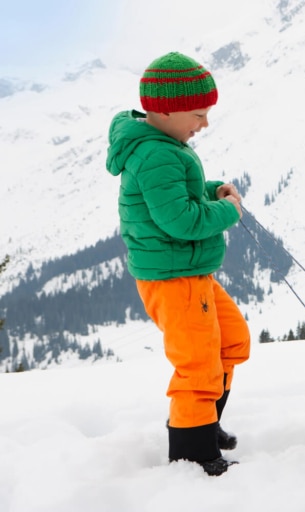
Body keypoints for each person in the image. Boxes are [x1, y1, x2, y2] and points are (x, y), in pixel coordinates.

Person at [106, 52, 250, 476]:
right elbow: (181, 220)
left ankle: (205, 422)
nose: (204, 124)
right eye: (199, 114)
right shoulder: (157, 155)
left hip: (189, 273)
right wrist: (230, 212)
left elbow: (177, 195)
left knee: (232, 341)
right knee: (198, 364)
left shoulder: (166, 147)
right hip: (175, 279)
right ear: (165, 109)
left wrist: (210, 190)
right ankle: (194, 455)